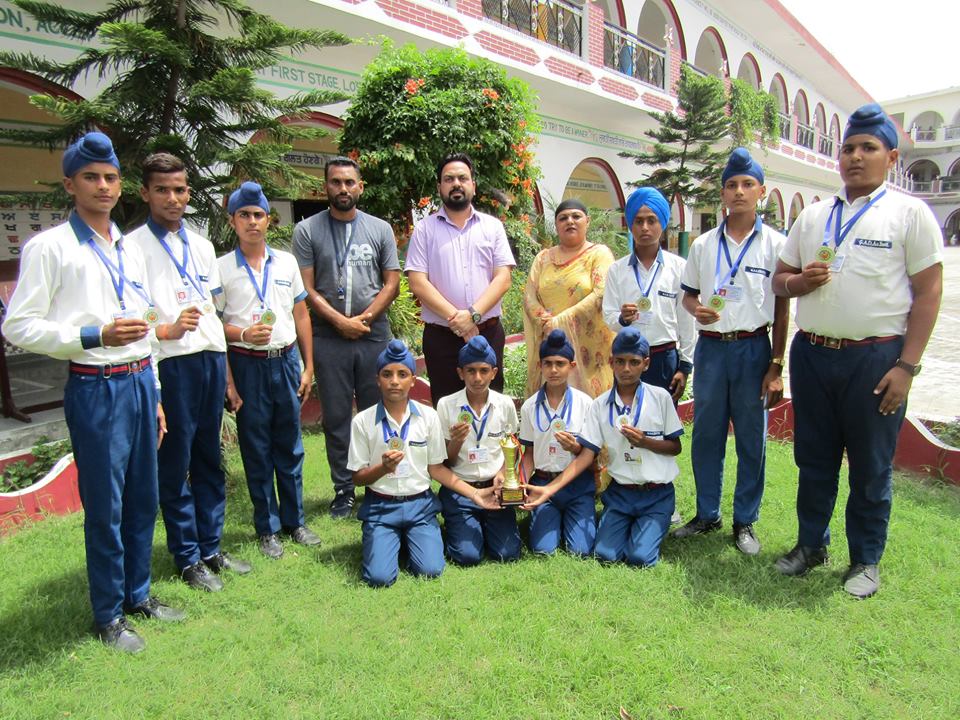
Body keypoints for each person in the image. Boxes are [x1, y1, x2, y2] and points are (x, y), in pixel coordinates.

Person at [2, 132, 184, 652]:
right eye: (91, 178)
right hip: (96, 386)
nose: (103, 187)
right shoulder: (50, 248)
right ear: (70, 184)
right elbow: (19, 325)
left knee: (143, 498)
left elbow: (143, 327)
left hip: (138, 384)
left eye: (109, 177)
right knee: (106, 505)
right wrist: (91, 336)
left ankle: (138, 595)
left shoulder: (126, 247)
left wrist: (154, 392)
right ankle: (108, 615)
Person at [771, 104, 943, 598]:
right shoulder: (813, 216)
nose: (855, 157)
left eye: (867, 148)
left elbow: (928, 293)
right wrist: (799, 280)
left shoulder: (909, 214)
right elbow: (781, 282)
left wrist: (907, 367)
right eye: (847, 148)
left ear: (890, 156)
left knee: (870, 463)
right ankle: (810, 546)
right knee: (814, 458)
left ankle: (865, 560)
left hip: (876, 359)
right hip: (814, 356)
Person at [127, 153, 251, 593]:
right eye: (162, 190)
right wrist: (164, 327)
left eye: (180, 189)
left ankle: (210, 546)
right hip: (171, 361)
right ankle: (186, 556)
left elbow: (212, 308)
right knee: (176, 461)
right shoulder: (131, 248)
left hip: (210, 358)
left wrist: (228, 371)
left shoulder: (201, 246)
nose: (173, 198)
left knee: (208, 457)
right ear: (145, 193)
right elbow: (134, 309)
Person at [673, 147, 788, 556]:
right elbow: (687, 296)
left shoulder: (776, 245)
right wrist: (696, 310)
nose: (738, 192)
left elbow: (782, 306)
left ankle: (745, 520)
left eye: (746, 184)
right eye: (731, 185)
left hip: (753, 347)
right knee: (706, 434)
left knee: (751, 437)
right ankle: (707, 514)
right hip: (711, 349)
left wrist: (776, 363)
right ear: (722, 194)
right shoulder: (704, 245)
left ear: (761, 191)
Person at [292, 156, 400, 520]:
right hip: (329, 337)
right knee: (337, 415)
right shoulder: (307, 230)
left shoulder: (380, 229)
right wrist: (341, 322)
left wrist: (363, 319)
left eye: (349, 182)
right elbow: (306, 289)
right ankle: (343, 489)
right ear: (326, 186)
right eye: (336, 182)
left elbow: (392, 283)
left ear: (360, 186)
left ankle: (375, 485)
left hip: (373, 336)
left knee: (376, 413)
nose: (343, 188)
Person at [217, 182, 320, 559]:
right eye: (244, 215)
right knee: (256, 448)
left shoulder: (286, 262)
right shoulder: (222, 269)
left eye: (258, 215)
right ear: (232, 221)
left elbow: (300, 314)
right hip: (247, 365)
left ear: (268, 219)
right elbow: (214, 327)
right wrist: (233, 368)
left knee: (289, 446)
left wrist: (308, 367)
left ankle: (295, 522)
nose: (252, 222)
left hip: (286, 361)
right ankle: (268, 527)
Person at [347, 339, 500, 587]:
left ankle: (408, 539)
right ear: (377, 379)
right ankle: (388, 538)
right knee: (379, 578)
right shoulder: (363, 422)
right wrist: (382, 469)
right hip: (381, 507)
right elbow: (357, 477)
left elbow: (436, 468)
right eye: (387, 374)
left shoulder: (428, 417)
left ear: (413, 380)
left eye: (402, 374)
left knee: (431, 570)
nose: (394, 381)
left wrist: (476, 495)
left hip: (420, 506)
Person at [525, 327, 683, 567]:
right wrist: (547, 490)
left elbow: (675, 447)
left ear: (646, 363)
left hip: (656, 494)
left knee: (639, 558)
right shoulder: (599, 406)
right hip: (621, 494)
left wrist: (645, 442)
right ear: (611, 362)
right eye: (620, 361)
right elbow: (586, 454)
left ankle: (649, 527)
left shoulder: (660, 398)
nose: (626, 369)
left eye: (634, 362)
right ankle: (629, 528)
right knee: (605, 555)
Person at [406, 153, 516, 406]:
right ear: (439, 187)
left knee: (491, 407)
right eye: (449, 179)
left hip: (486, 333)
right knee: (446, 408)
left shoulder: (492, 227)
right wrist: (459, 321)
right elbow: (418, 282)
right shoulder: (425, 229)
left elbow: (503, 278)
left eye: (462, 178)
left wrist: (473, 316)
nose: (456, 183)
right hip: (441, 339)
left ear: (473, 186)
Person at [602, 187, 695, 404]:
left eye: (651, 220)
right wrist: (623, 319)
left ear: (662, 223)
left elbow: (686, 320)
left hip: (665, 357)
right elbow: (609, 315)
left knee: (662, 425)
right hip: (627, 359)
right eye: (638, 221)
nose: (645, 227)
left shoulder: (679, 268)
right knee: (625, 420)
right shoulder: (617, 269)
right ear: (630, 225)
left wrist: (685, 366)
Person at [435, 335, 521, 564]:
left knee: (507, 554)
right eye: (470, 371)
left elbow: (511, 446)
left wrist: (504, 473)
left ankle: (487, 523)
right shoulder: (446, 405)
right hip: (461, 489)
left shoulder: (504, 404)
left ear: (494, 372)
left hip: (494, 489)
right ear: (460, 373)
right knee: (467, 556)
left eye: (484, 370)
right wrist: (455, 443)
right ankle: (462, 523)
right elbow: (446, 463)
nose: (477, 378)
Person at [522, 198, 615, 398]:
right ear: (556, 225)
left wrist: (559, 322)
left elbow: (601, 294)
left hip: (587, 351)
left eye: (576, 216)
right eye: (563, 218)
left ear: (587, 221)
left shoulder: (599, 254)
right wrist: (546, 323)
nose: (570, 221)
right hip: (550, 345)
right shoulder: (543, 258)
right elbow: (530, 296)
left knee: (587, 411)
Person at [517, 329, 596, 555]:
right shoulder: (530, 406)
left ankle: (574, 519)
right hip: (542, 482)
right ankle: (548, 518)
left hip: (577, 485)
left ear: (571, 366)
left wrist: (575, 447)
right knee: (543, 550)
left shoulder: (585, 404)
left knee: (580, 550)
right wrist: (520, 484)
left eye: (560, 363)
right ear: (540, 366)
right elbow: (529, 453)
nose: (553, 370)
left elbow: (589, 454)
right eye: (548, 363)